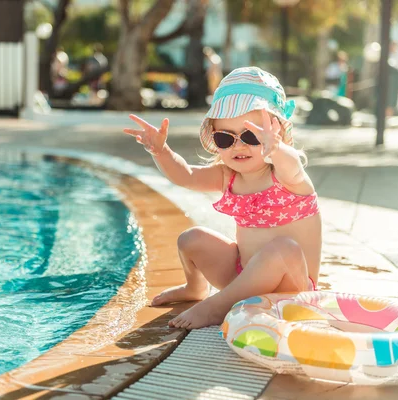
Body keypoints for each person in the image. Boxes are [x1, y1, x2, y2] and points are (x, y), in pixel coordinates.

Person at [123, 67, 322, 330]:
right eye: (225, 137)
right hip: (242, 279)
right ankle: (195, 288)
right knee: (191, 238)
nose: (239, 145)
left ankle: (218, 306)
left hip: (290, 288)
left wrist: (277, 150)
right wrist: (161, 152)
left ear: (278, 135)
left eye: (252, 136)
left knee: (283, 249)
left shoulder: (289, 177)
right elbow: (187, 175)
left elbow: (292, 165)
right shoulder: (228, 175)